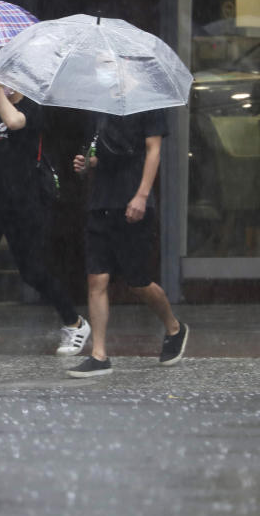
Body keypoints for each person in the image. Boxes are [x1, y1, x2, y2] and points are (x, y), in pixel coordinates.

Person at [0, 56, 89, 359]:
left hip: (23, 202)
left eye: (5, 77)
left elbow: (14, 123)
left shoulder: (33, 108)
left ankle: (75, 321)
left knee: (33, 271)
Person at [68, 109, 188, 377]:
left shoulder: (148, 104)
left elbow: (153, 151)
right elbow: (101, 155)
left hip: (134, 202)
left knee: (138, 282)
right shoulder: (98, 109)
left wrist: (142, 196)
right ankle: (99, 355)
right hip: (101, 203)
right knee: (96, 278)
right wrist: (87, 164)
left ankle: (174, 327)